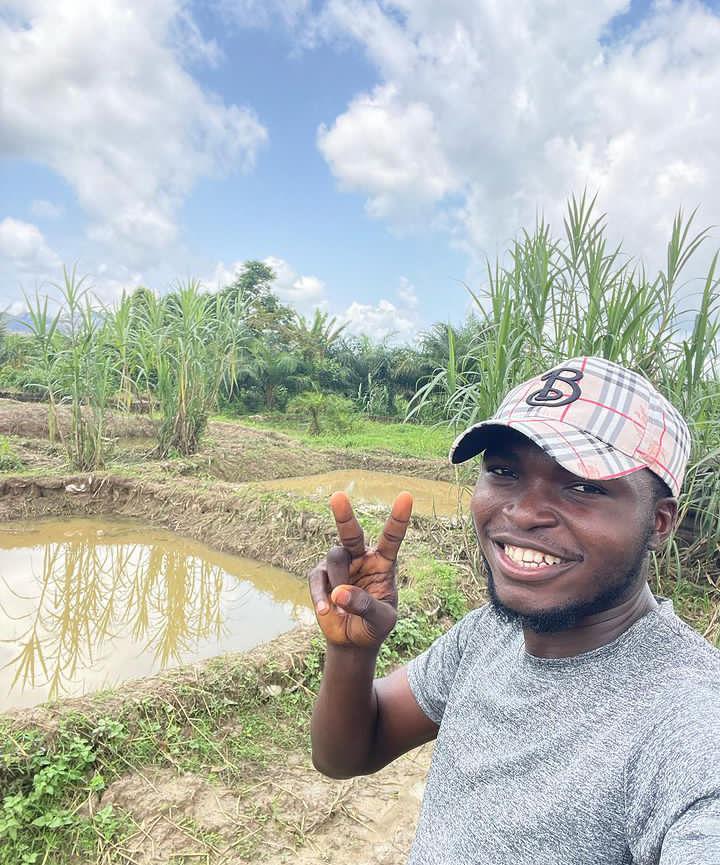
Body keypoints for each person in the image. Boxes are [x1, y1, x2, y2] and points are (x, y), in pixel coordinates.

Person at [307, 356, 720, 864]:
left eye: (584, 486)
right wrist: (350, 653)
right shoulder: (487, 634)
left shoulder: (691, 723)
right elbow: (350, 753)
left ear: (659, 523)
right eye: (504, 472)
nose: (523, 512)